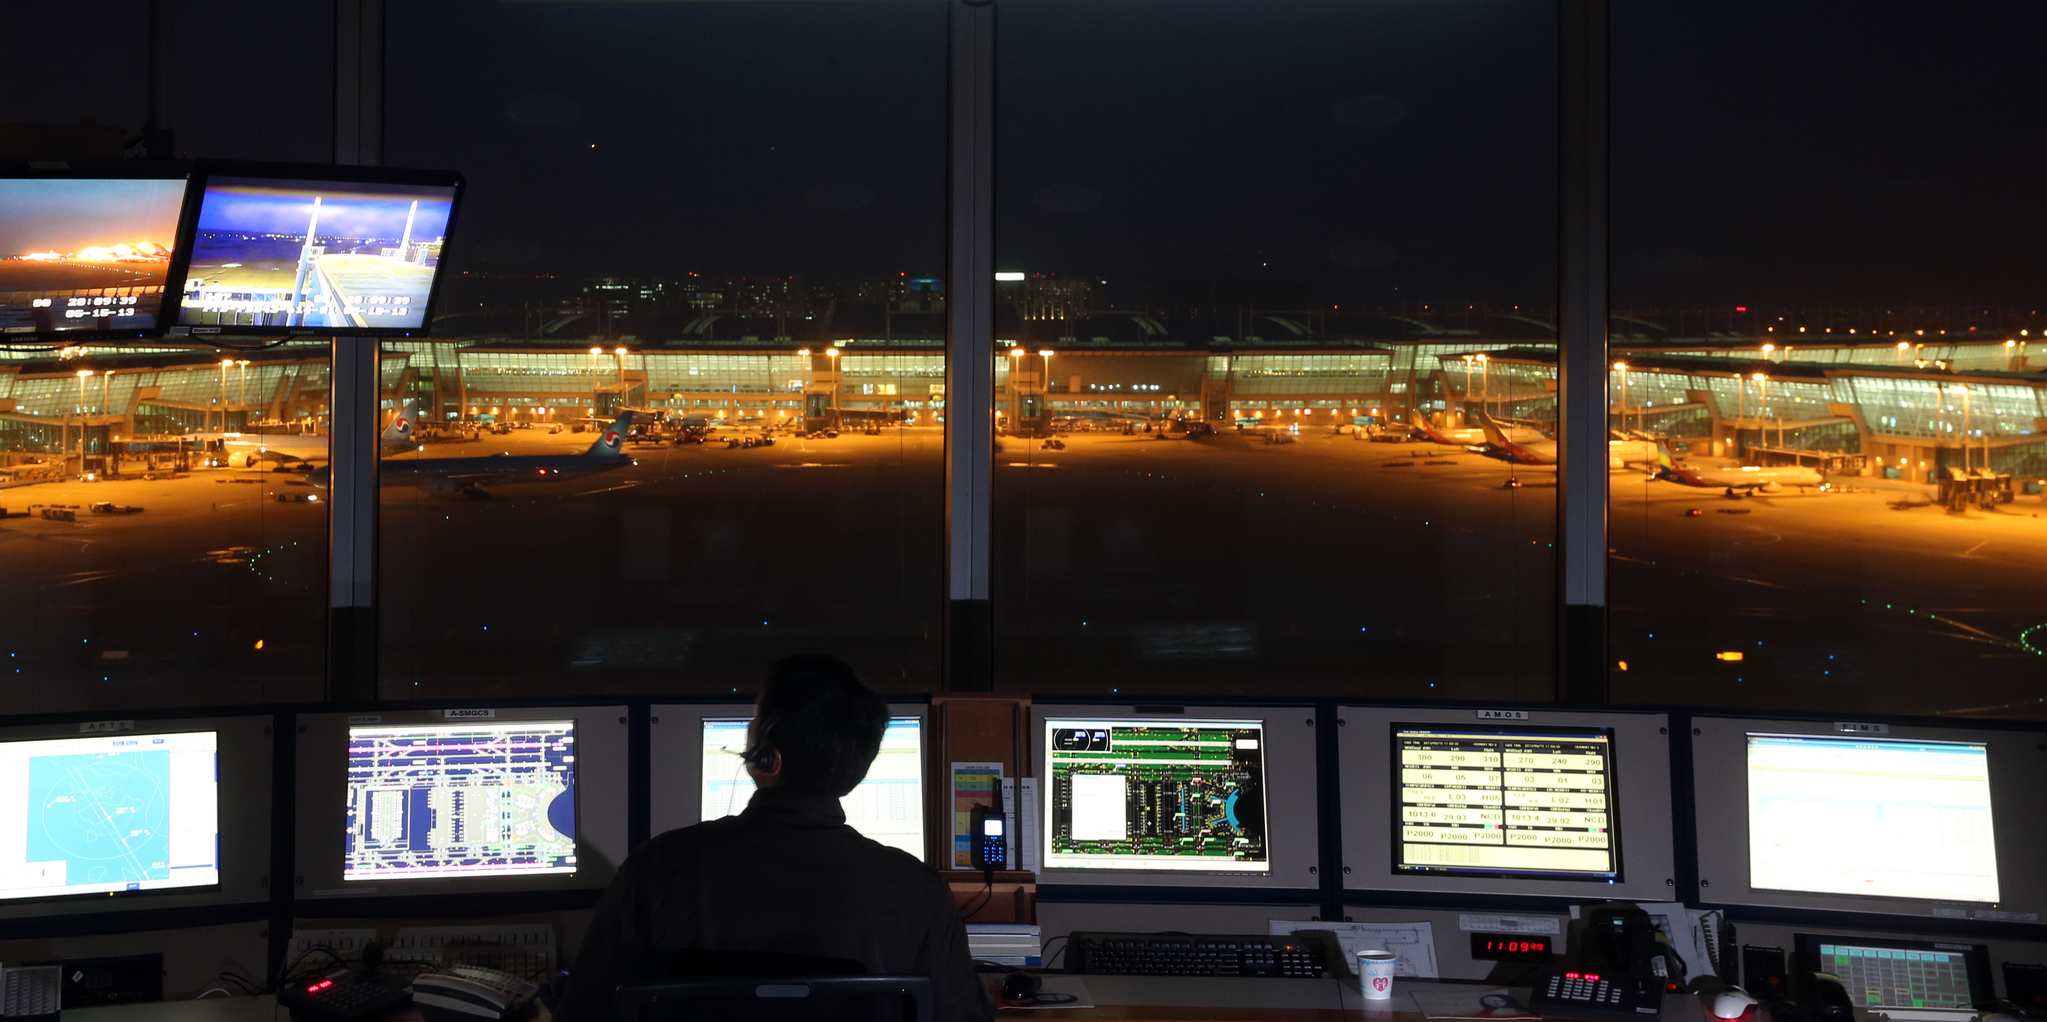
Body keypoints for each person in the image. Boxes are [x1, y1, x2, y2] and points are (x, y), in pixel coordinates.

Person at [555, 656, 993, 1022]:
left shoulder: (658, 869)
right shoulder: (918, 891)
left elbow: (585, 1013)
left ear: (769, 757)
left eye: (755, 719)